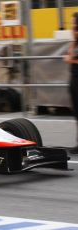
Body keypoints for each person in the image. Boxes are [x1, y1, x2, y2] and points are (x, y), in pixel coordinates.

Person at [65, 12, 78, 154]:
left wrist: (71, 60)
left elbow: (70, 58)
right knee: (76, 113)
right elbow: (70, 54)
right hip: (74, 80)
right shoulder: (75, 41)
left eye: (73, 22)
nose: (72, 25)